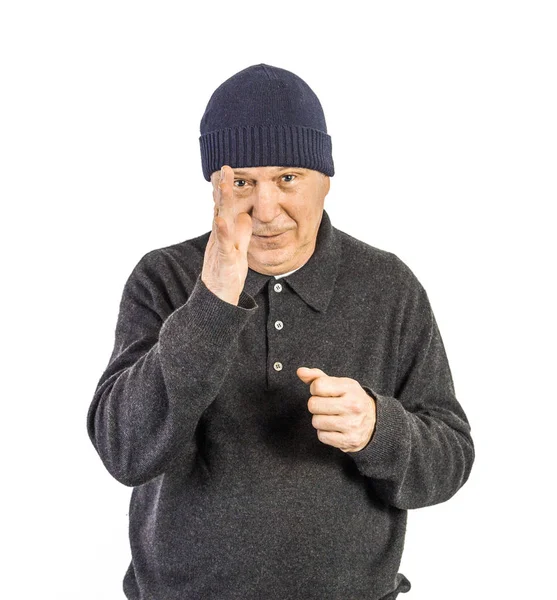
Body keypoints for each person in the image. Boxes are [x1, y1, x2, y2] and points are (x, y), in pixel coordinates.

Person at [87, 63, 475, 600]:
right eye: (243, 182)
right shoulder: (164, 278)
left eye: (287, 179)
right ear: (216, 187)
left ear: (325, 181)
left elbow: (451, 457)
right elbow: (125, 452)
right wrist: (213, 301)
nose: (266, 210)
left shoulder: (389, 287)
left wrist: (378, 428)